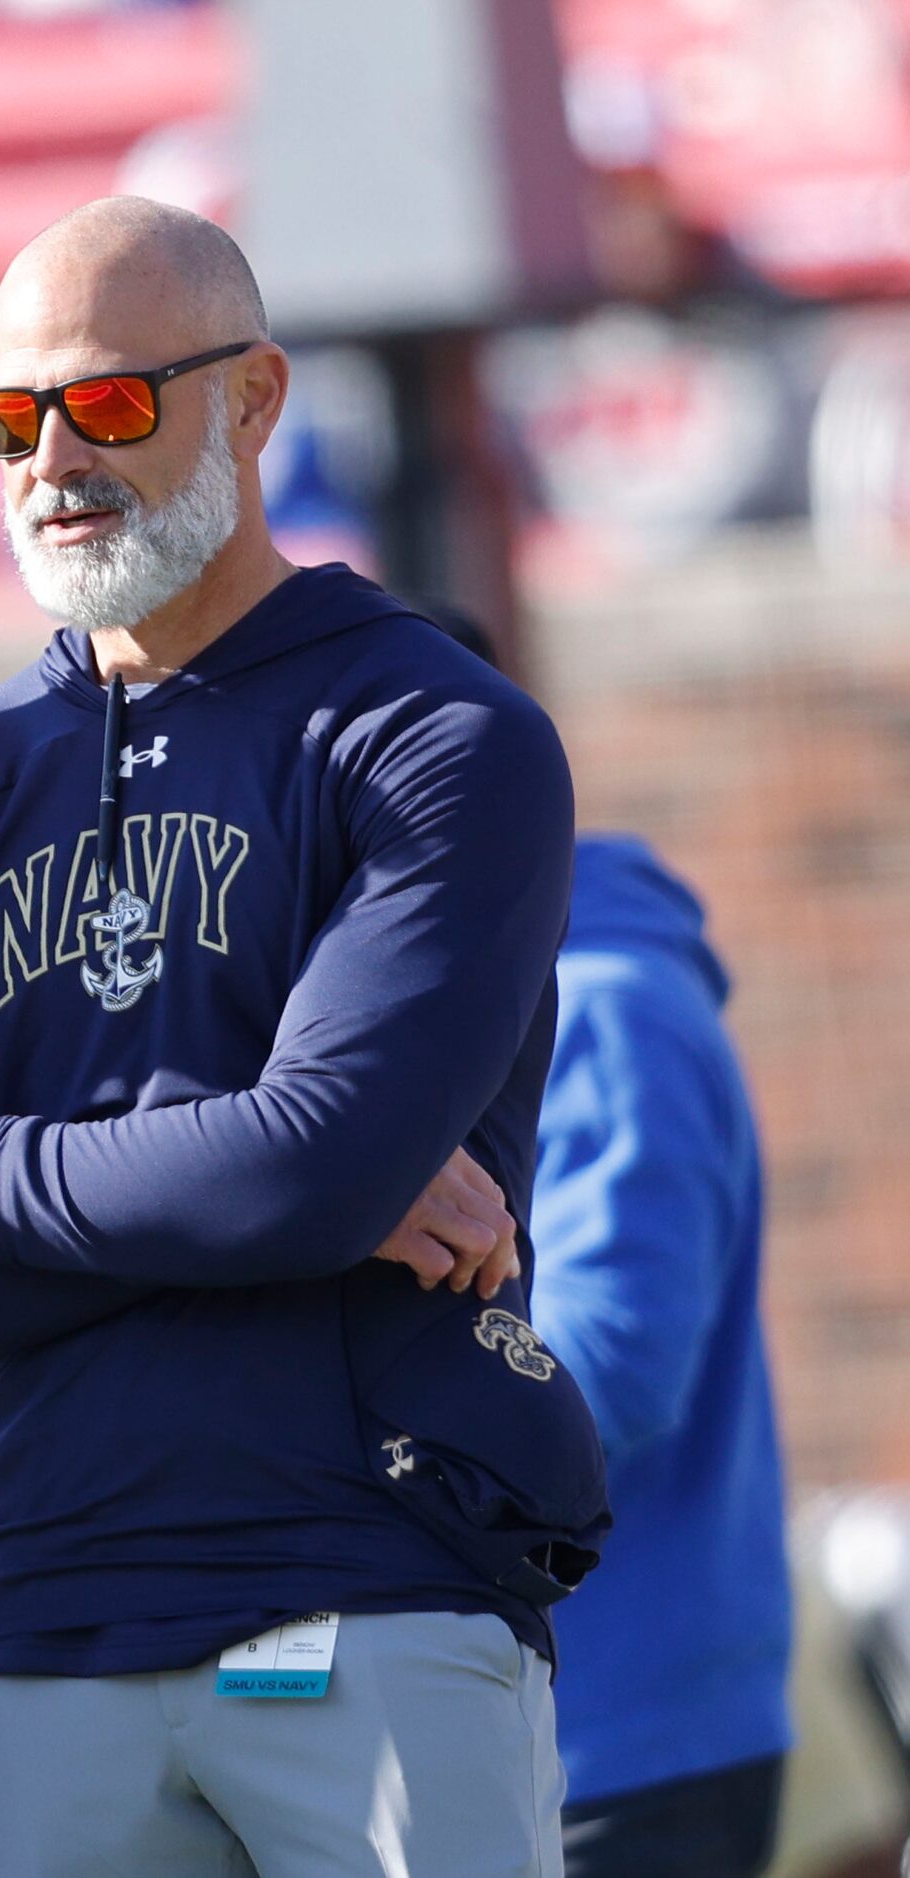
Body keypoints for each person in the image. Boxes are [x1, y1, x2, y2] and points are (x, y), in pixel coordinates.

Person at [0, 196, 610, 1876]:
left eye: (103, 402)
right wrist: (270, 1183)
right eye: (7, 419)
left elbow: (293, 1173)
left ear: (252, 398)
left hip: (369, 1587)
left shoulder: (437, 731)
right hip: (40, 1617)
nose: (48, 461)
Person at [421, 608, 793, 1876]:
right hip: (517, 1719)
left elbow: (615, 1364)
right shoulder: (451, 999)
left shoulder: (610, 1005)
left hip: (622, 1735)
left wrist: (341, 1446)